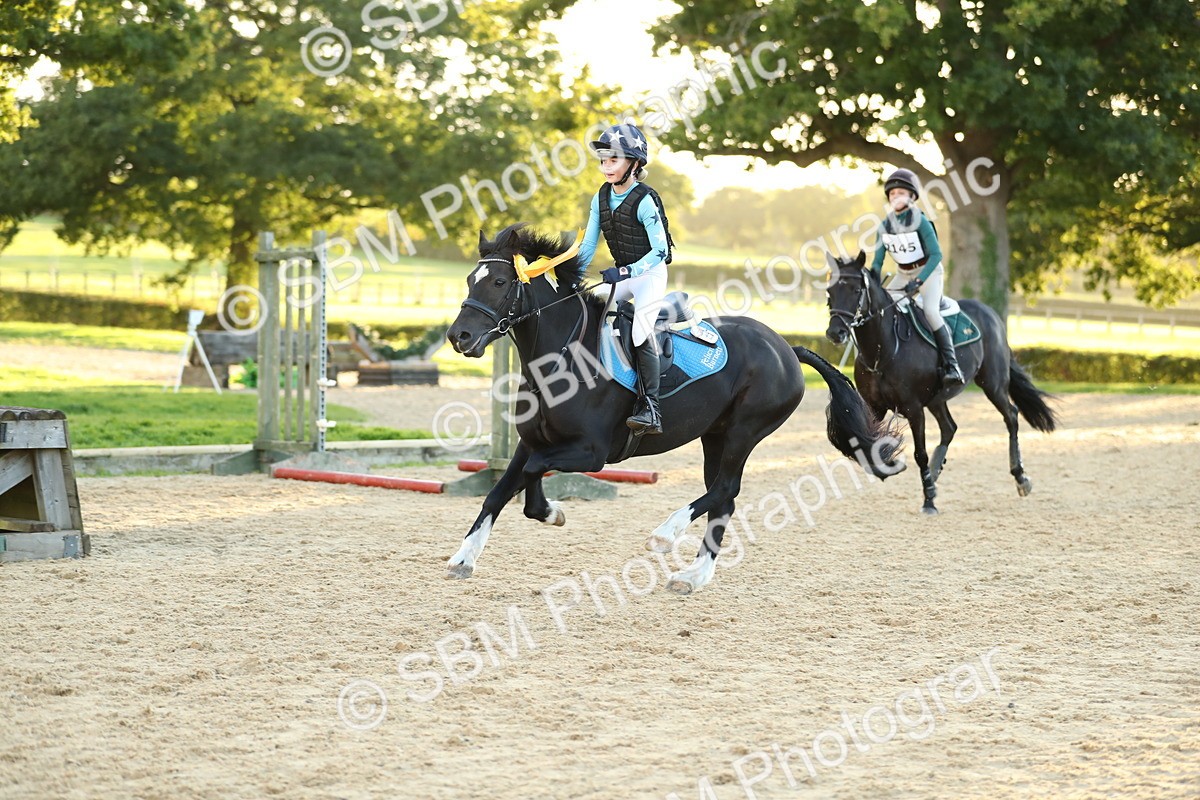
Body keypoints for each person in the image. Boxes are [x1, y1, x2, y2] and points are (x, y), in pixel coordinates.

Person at [578, 122, 675, 434]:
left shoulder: (646, 199)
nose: (606, 166)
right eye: (603, 160)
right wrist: (571, 276)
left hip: (649, 275)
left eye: (614, 160)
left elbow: (660, 251)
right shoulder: (600, 198)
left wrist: (625, 272)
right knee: (587, 312)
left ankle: (651, 408)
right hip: (623, 276)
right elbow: (589, 245)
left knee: (638, 332)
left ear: (634, 164)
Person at [870, 168, 964, 387]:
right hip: (903, 273)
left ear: (912, 197)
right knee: (882, 308)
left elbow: (936, 255)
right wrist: (873, 278)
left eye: (901, 193)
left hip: (928, 271)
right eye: (892, 194)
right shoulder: (884, 226)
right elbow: (878, 261)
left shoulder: (921, 221)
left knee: (930, 311)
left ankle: (952, 365)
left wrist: (919, 281)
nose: (896, 197)